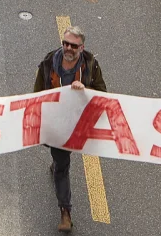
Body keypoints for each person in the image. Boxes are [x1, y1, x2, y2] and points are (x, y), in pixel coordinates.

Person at [33, 25, 106, 232]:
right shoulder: (48, 63)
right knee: (63, 164)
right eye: (65, 43)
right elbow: (37, 94)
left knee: (60, 163)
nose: (68, 48)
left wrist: (86, 90)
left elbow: (103, 93)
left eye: (73, 45)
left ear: (81, 48)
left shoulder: (91, 66)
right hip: (58, 126)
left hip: (79, 124)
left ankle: (56, 165)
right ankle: (65, 212)